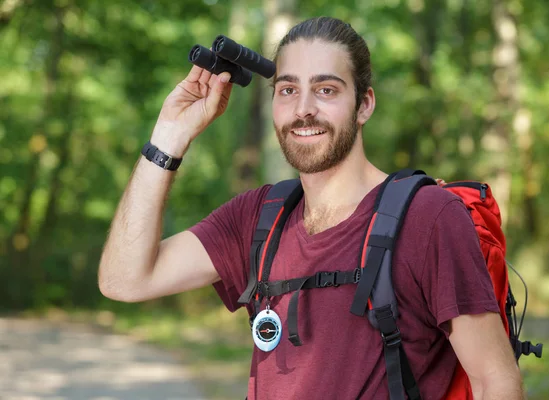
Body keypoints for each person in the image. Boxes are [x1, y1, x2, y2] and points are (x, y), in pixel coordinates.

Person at [98, 16, 524, 400]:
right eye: (288, 89)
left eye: (325, 89)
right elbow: (124, 280)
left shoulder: (427, 217)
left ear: (364, 104)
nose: (303, 109)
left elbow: (495, 382)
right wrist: (168, 137)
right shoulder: (258, 216)